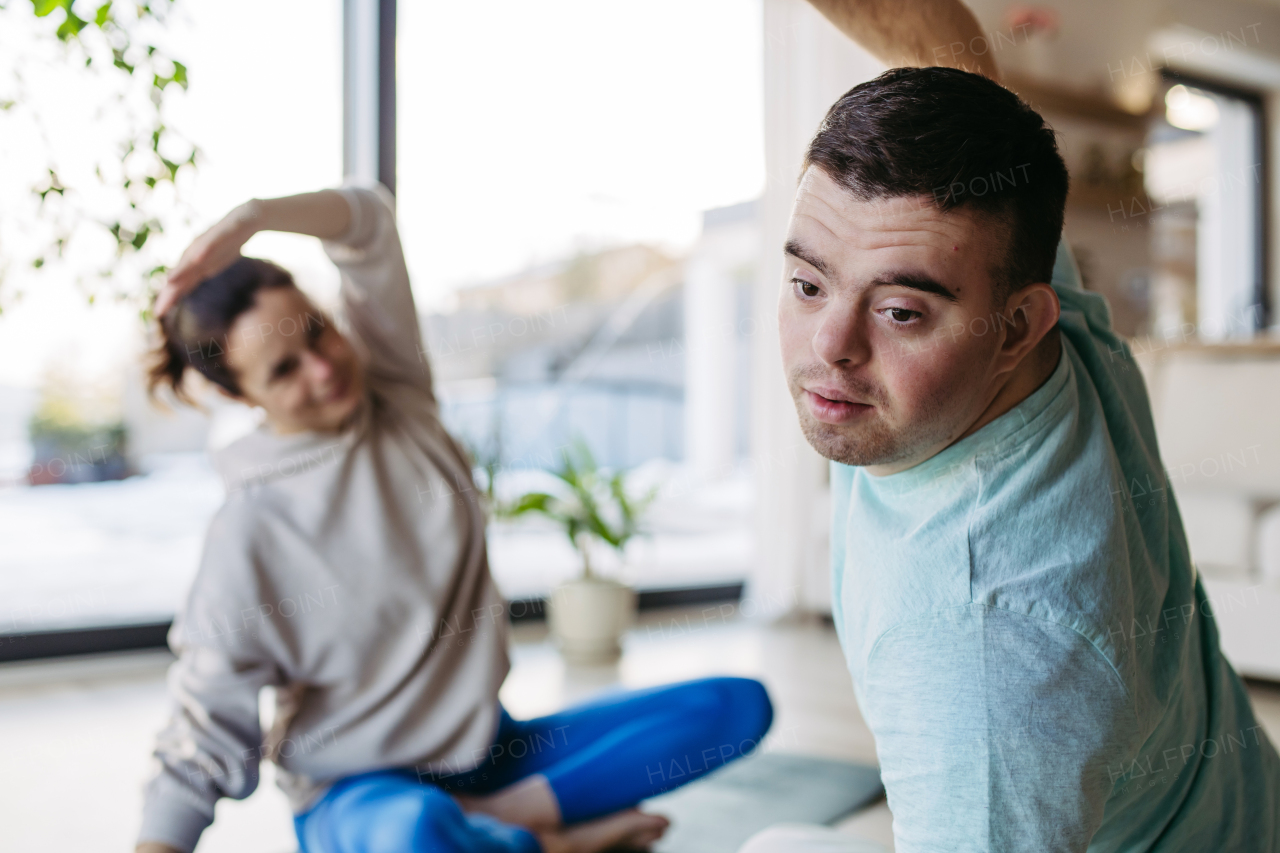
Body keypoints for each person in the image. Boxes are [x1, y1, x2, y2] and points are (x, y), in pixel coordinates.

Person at [739, 1, 1280, 851]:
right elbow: (939, 41)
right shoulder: (1034, 312)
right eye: (809, 285)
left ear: (1020, 323)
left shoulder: (986, 664)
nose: (830, 348)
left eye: (899, 312)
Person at [135, 184, 773, 853]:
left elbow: (368, 224)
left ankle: (507, 819)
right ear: (242, 394)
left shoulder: (397, 394)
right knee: (417, 830)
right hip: (359, 794)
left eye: (318, 331)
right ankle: (549, 842)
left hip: (492, 752)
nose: (324, 368)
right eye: (285, 368)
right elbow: (200, 729)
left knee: (734, 707)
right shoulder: (248, 530)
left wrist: (253, 219)